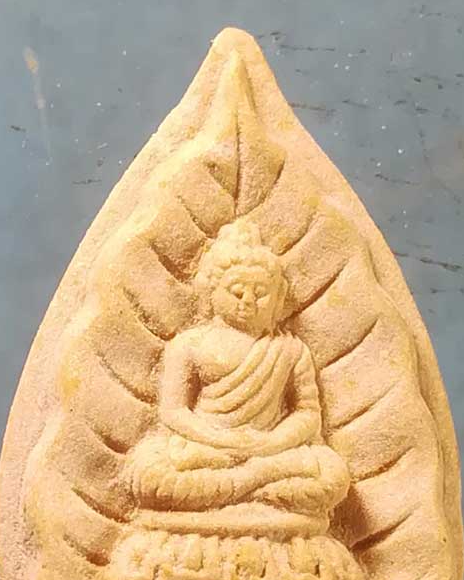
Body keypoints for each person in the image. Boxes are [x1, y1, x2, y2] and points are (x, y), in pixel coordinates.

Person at [126, 220, 350, 519]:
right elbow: (174, 412)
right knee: (150, 472)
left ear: (278, 296)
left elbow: (307, 413)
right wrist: (224, 441)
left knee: (332, 473)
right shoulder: (189, 344)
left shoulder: (290, 349)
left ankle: (230, 490)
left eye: (261, 292)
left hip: (270, 450)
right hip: (207, 449)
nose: (248, 301)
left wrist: (271, 442)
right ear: (210, 291)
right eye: (237, 291)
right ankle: (257, 489)